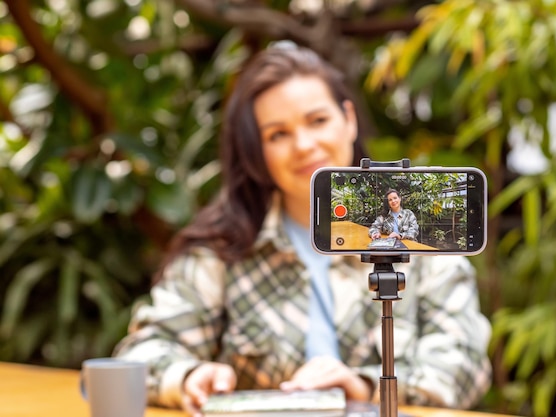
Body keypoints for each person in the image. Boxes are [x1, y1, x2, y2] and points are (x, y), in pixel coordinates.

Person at [112, 43, 492, 417]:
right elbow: (141, 353)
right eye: (278, 134)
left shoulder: (424, 241)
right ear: (256, 150)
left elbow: (465, 367)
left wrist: (361, 388)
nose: (304, 145)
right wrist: (191, 375)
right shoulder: (223, 248)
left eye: (318, 121)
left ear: (349, 119)